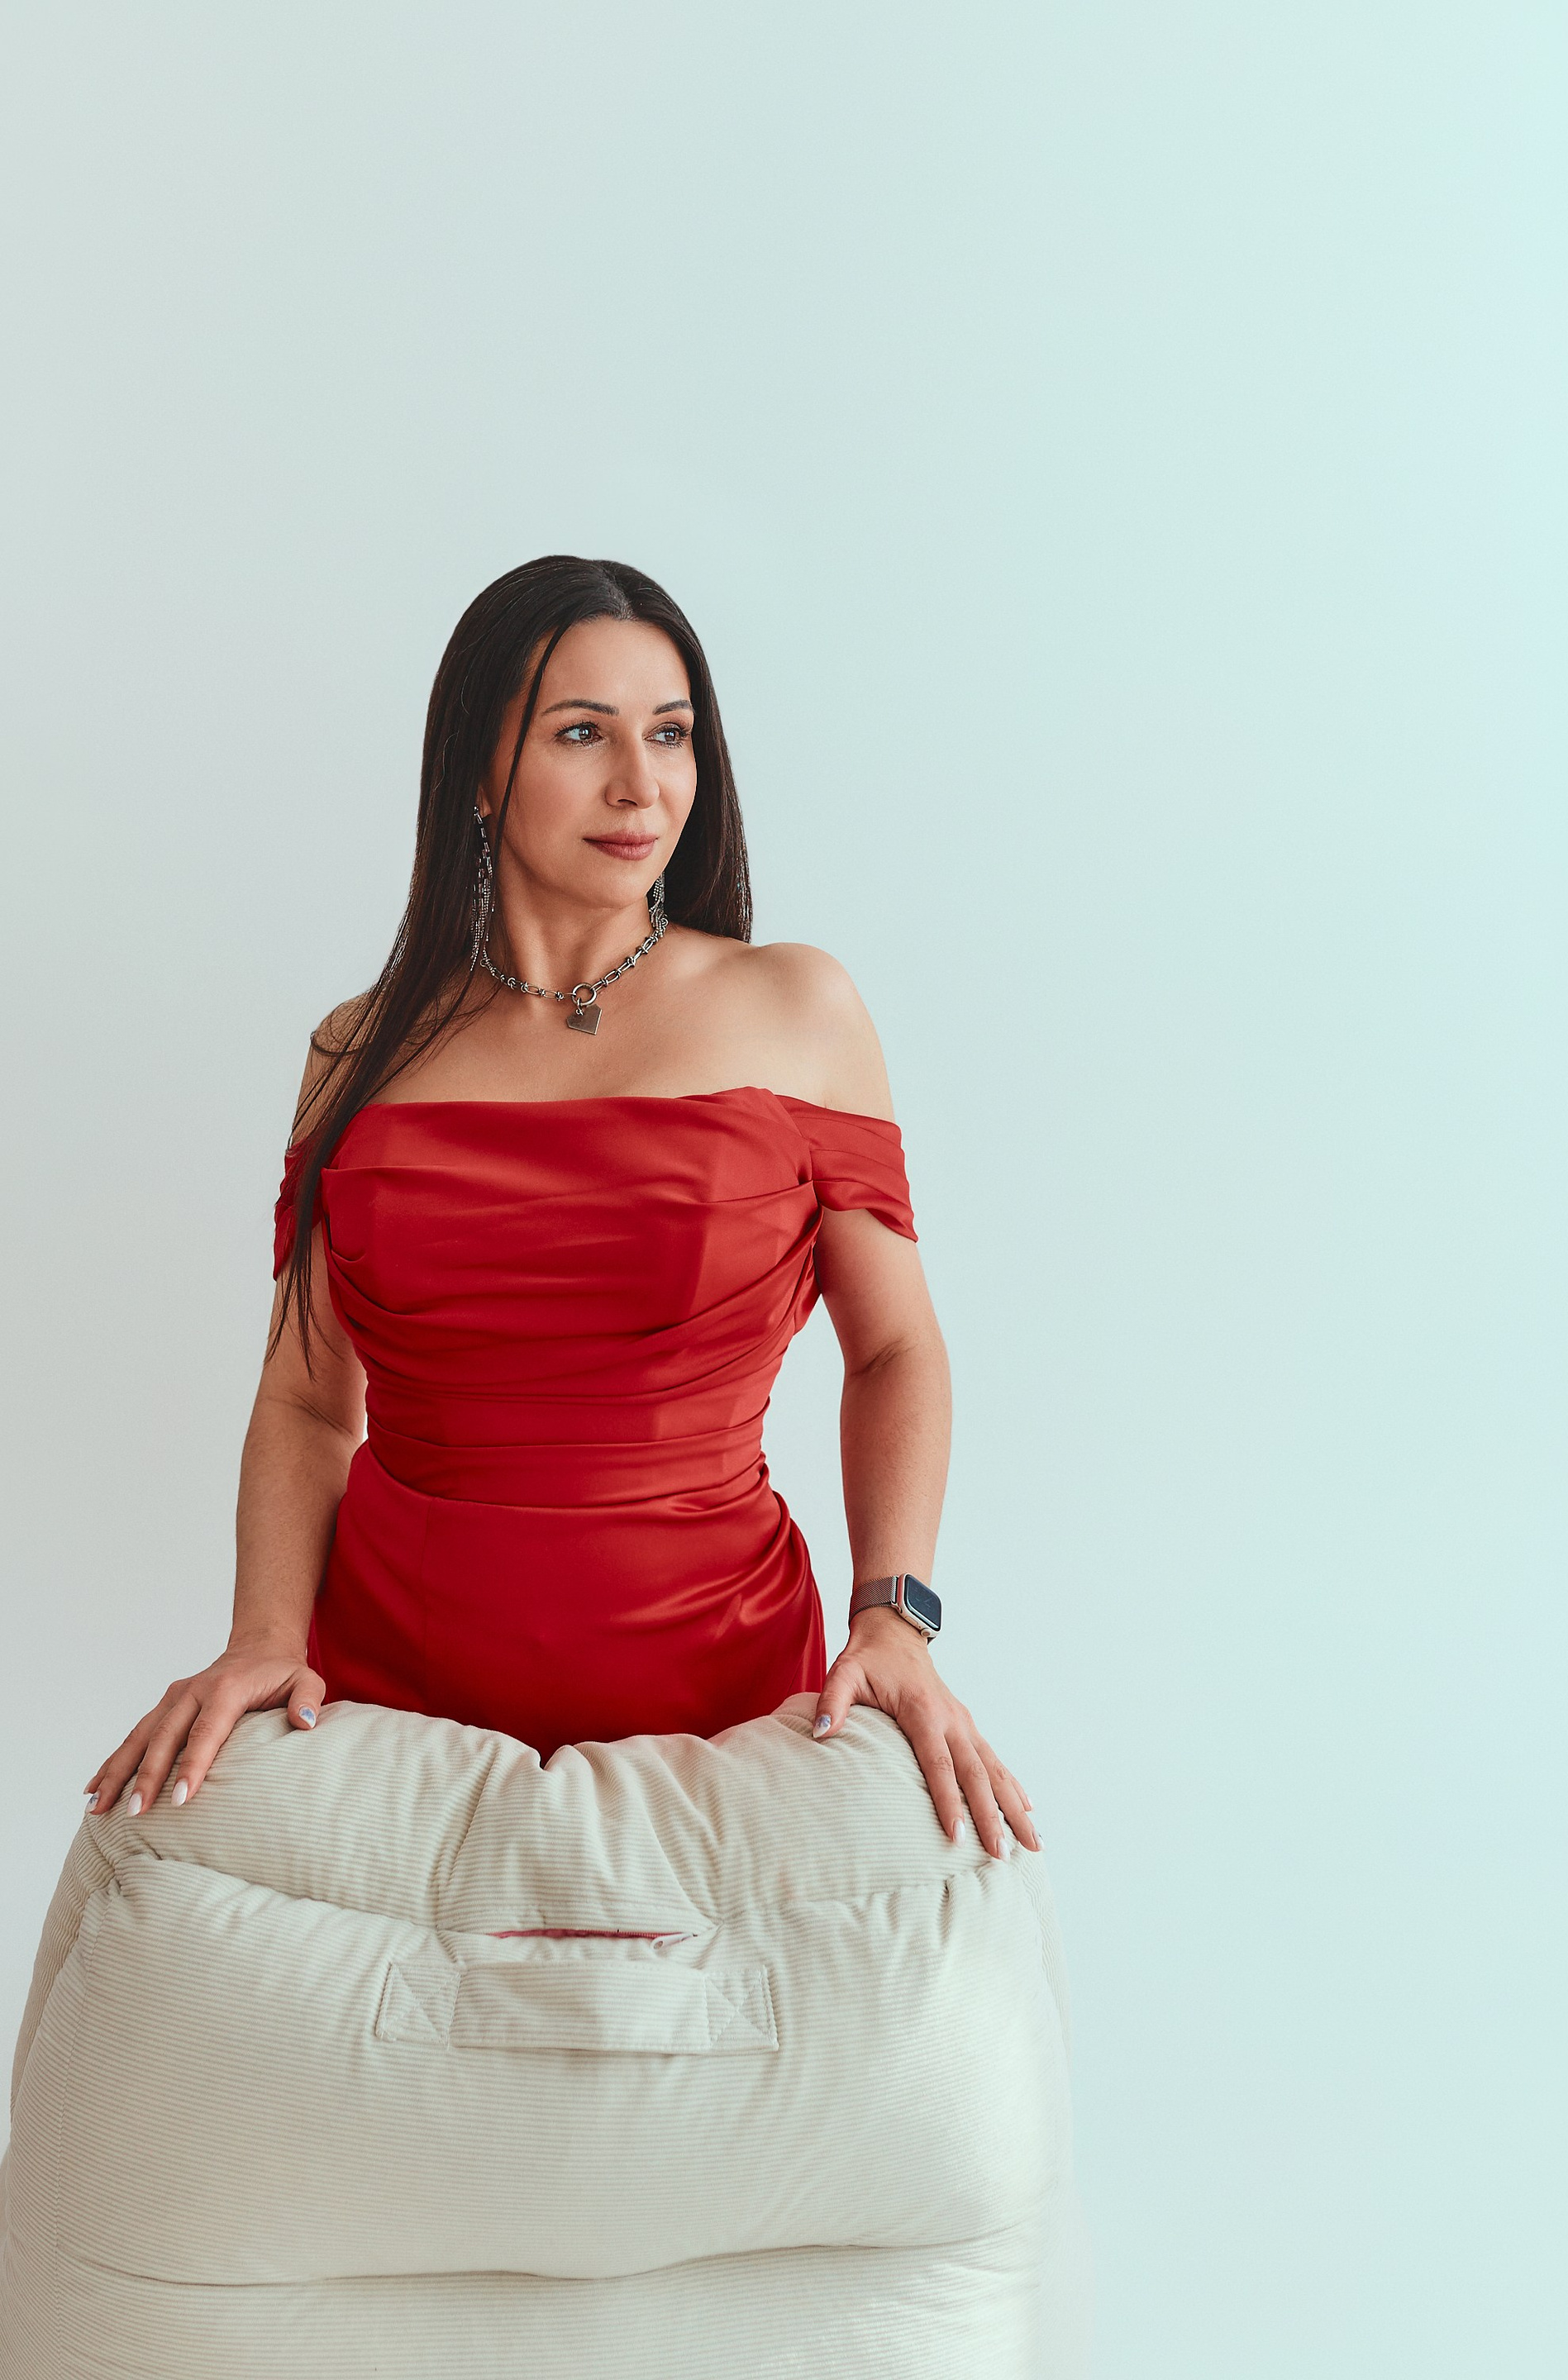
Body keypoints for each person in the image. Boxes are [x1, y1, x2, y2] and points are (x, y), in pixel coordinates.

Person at [83, 555, 1041, 1864]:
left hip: (719, 1706)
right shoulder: (357, 1050)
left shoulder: (798, 1009)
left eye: (671, 735)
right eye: (582, 734)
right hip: (389, 1712)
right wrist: (261, 1636)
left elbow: (895, 1349)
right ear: (480, 772)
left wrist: (895, 1617)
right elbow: (307, 1397)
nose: (641, 785)